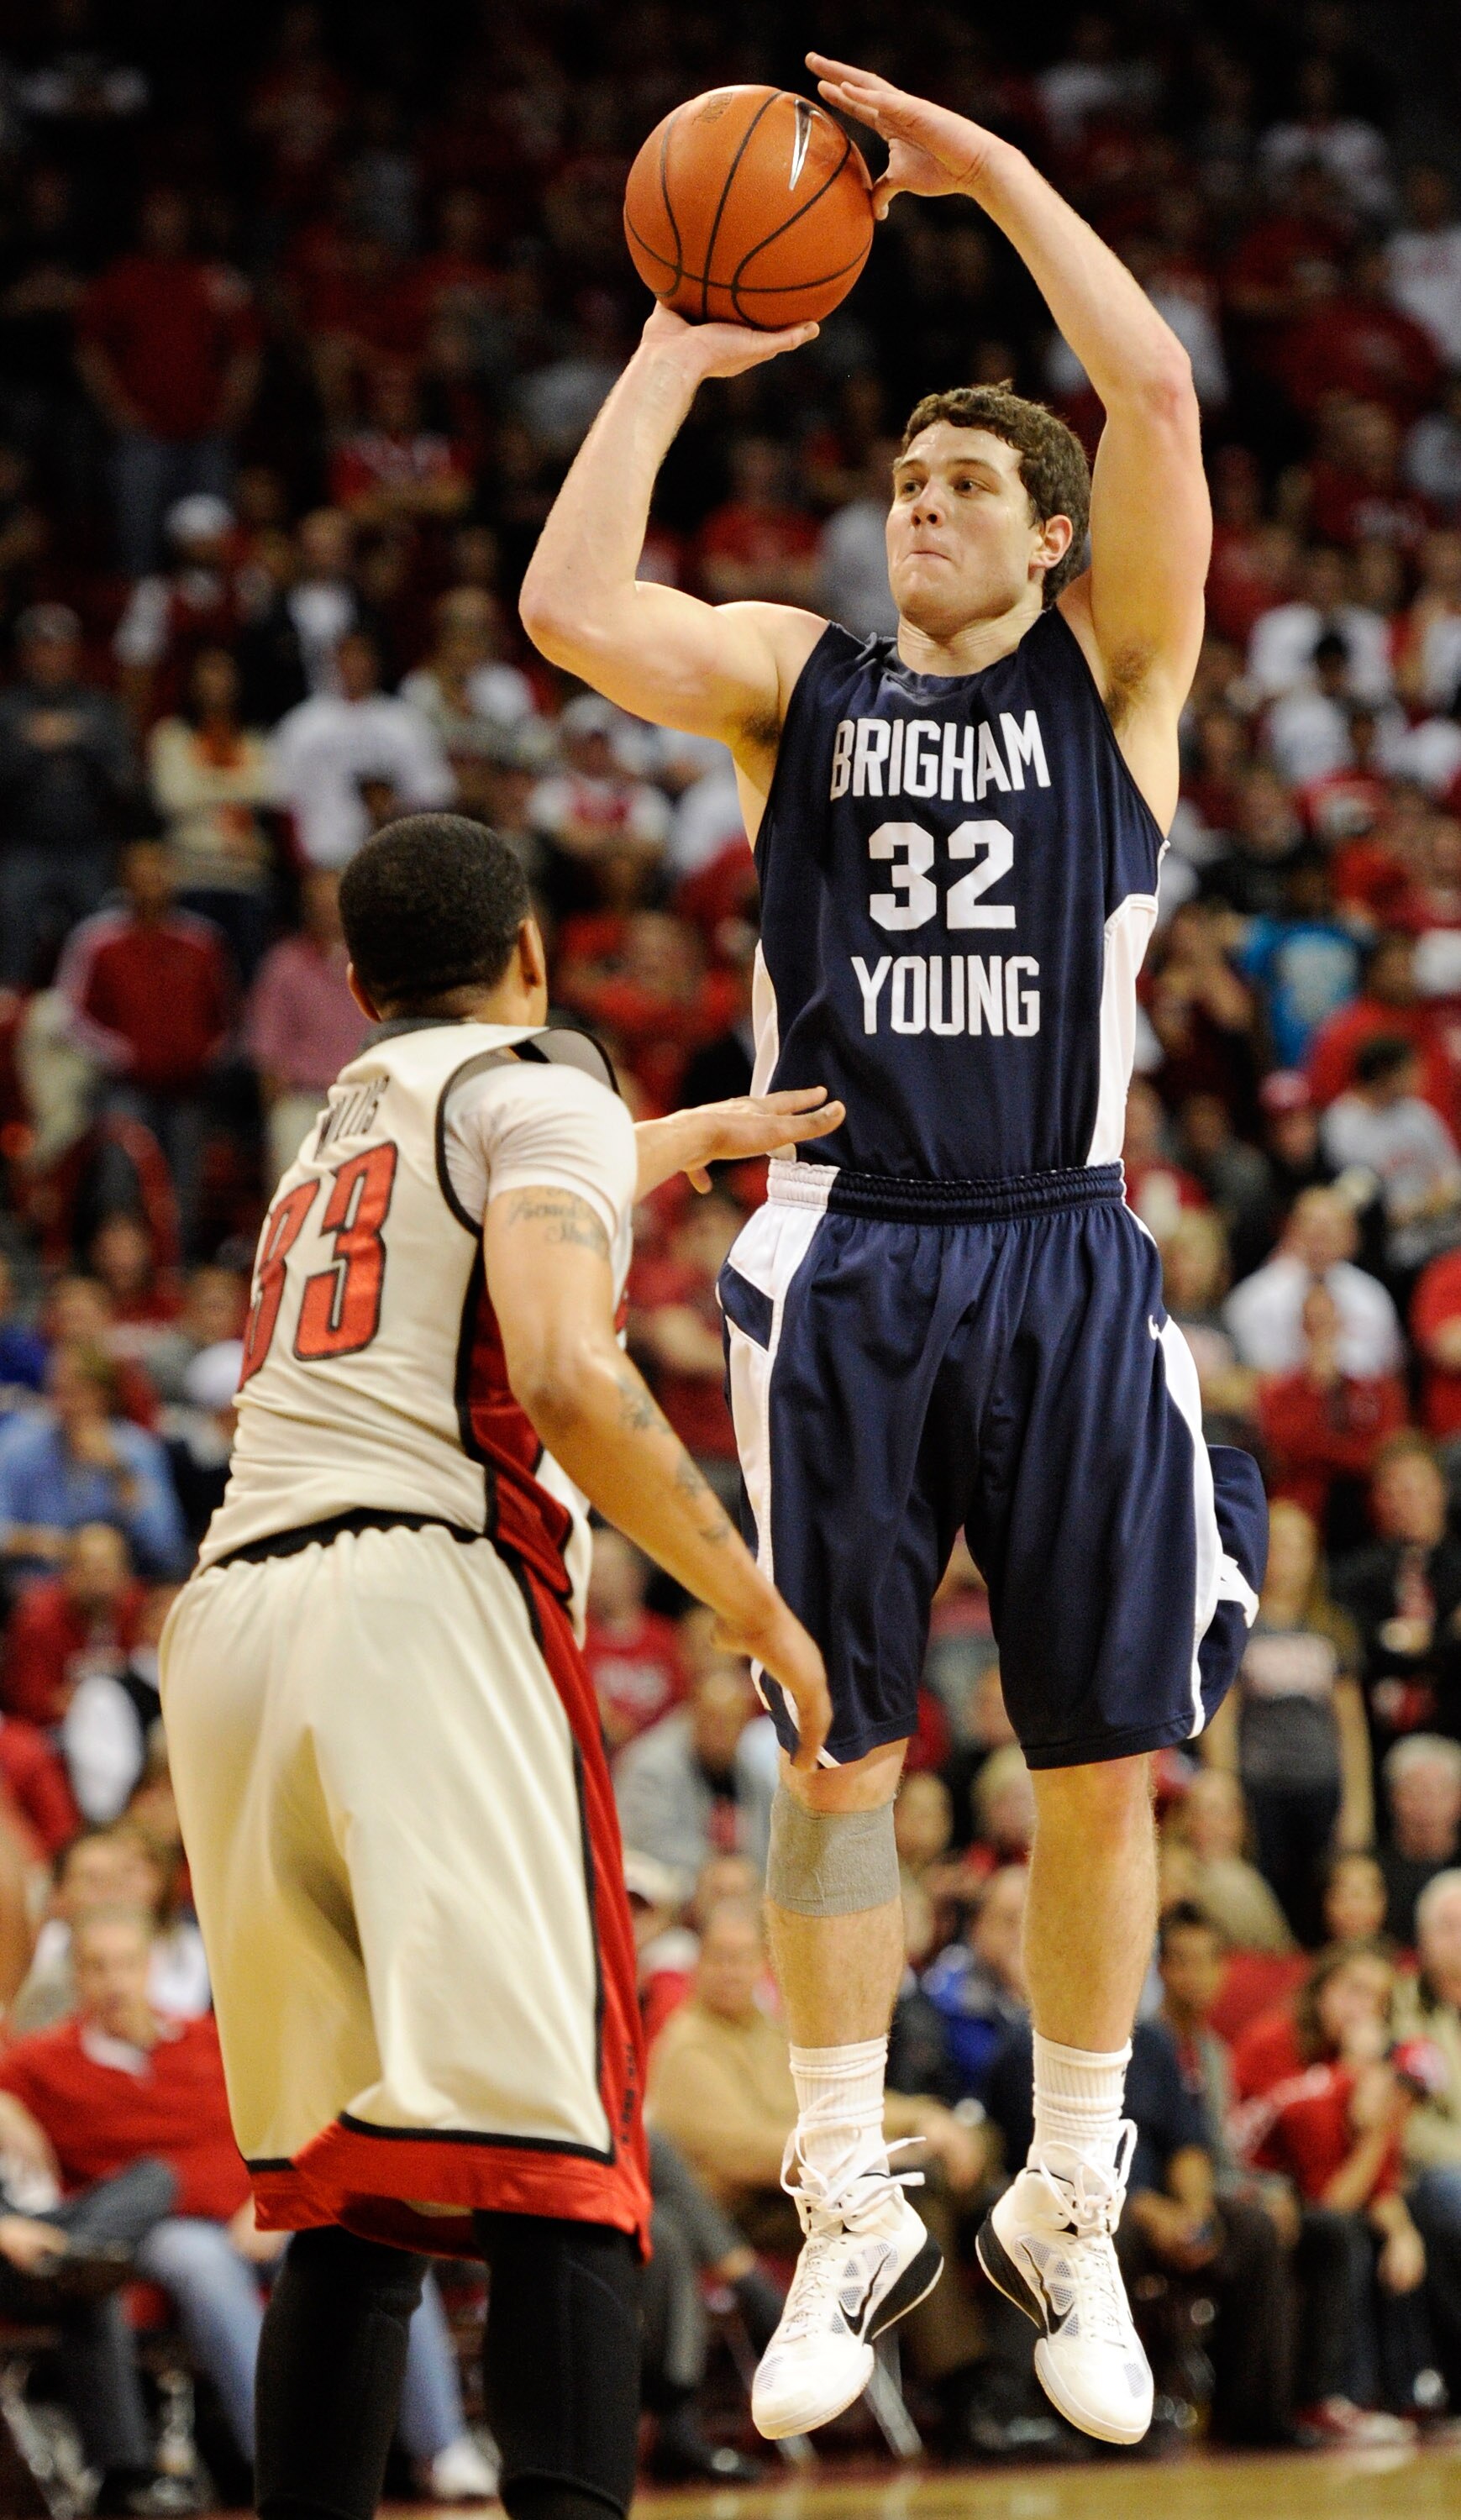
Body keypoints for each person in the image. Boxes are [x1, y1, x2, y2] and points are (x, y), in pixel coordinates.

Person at [520, 51, 1269, 2449]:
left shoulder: (1113, 686)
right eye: (902, 481)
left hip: (1057, 1247)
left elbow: (1142, 380)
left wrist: (987, 170)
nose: (916, 508)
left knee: (1100, 1761)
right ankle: (845, 2183)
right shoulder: (794, 685)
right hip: (839, 1255)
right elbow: (561, 600)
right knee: (837, 1741)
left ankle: (1065, 2188)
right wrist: (674, 342)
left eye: (964, 485)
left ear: (1049, 541)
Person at [157, 812, 843, 2520]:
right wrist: (749, 1604)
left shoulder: (332, 1132)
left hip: (236, 1626)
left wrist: (671, 1138)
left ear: (356, 977)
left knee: (350, 2188)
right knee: (566, 2161)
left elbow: (505, 1191)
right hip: (419, 1605)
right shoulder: (536, 1080)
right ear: (529, 957)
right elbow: (558, 1363)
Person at [1203, 1499, 1373, 1940]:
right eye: (1278, 1544)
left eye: (1299, 1545)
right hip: (1261, 1788)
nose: (1287, 1557)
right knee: (1269, 1899)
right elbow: (1223, 1717)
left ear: (1314, 1556)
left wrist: (1358, 1805)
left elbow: (1351, 1728)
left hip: (1322, 1785)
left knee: (1322, 1902)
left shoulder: (1332, 1627)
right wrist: (1227, 1791)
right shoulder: (1239, 1625)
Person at [612, 1662, 777, 1881]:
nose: (722, 1733)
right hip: (661, 1888)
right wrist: (715, 1868)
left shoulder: (750, 1773)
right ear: (692, 1713)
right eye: (714, 1720)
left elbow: (771, 1844)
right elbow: (645, 1841)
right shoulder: (651, 1767)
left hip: (735, 1890)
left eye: (732, 1723)